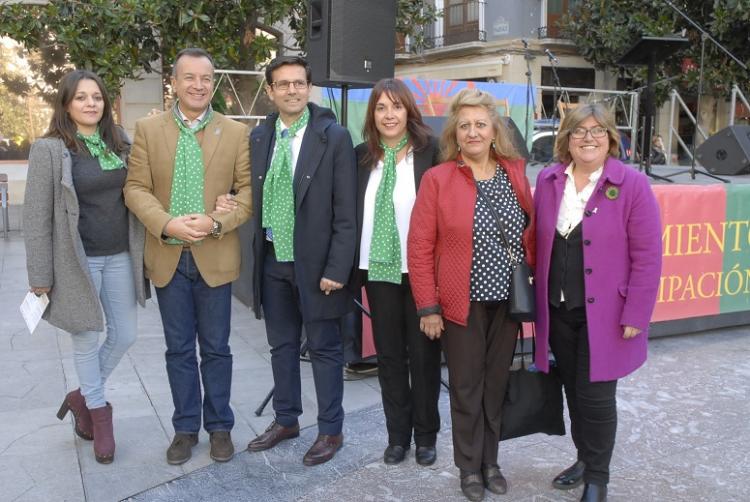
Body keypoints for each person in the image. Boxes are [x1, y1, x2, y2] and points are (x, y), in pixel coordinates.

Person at [123, 48, 252, 466]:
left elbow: (248, 193)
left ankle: (220, 428)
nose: (198, 85)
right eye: (189, 78)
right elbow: (135, 188)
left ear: (213, 83)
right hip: (167, 256)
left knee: (217, 348)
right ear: (174, 83)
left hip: (214, 255)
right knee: (178, 349)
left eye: (206, 78)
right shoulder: (147, 129)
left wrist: (216, 221)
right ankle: (184, 428)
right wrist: (167, 224)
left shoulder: (235, 132)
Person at [408, 88, 535, 501]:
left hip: (509, 304)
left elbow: (531, 232)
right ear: (455, 134)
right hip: (461, 304)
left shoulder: (515, 172)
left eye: (481, 124)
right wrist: (428, 305)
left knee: (496, 385)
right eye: (465, 125)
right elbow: (420, 245)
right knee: (466, 387)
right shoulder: (439, 178)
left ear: (495, 130)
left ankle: (491, 461)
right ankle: (469, 468)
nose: (473, 131)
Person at [533, 103, 661, 502]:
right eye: (579, 131)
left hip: (607, 316)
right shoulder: (550, 179)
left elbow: (648, 256)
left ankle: (598, 479)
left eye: (597, 130)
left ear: (611, 139)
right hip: (558, 311)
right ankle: (585, 459)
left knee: (596, 399)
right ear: (565, 139)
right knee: (573, 391)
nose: (588, 138)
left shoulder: (632, 185)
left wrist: (636, 314)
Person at [23, 69, 149, 464]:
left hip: (121, 255)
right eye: (81, 97)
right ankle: (99, 417)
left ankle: (80, 397)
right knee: (85, 337)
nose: (90, 103)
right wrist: (40, 276)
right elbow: (36, 217)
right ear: (66, 104)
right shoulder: (48, 149)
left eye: (96, 97)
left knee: (125, 334)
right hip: (76, 261)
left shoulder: (121, 142)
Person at [244, 55, 356, 466]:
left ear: (309, 88)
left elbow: (347, 212)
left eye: (299, 83)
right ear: (270, 91)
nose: (292, 90)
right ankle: (286, 419)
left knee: (325, 350)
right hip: (273, 258)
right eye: (283, 84)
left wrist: (336, 270)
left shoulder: (334, 136)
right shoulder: (260, 136)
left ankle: (331, 430)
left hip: (317, 266)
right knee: (281, 346)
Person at [354, 78, 442, 466]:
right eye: (381, 108)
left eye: (397, 107)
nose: (389, 115)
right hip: (378, 269)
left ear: (409, 111)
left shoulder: (431, 153)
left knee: (424, 356)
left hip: (422, 271)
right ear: (372, 114)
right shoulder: (360, 158)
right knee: (389, 357)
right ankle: (397, 437)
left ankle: (425, 436)